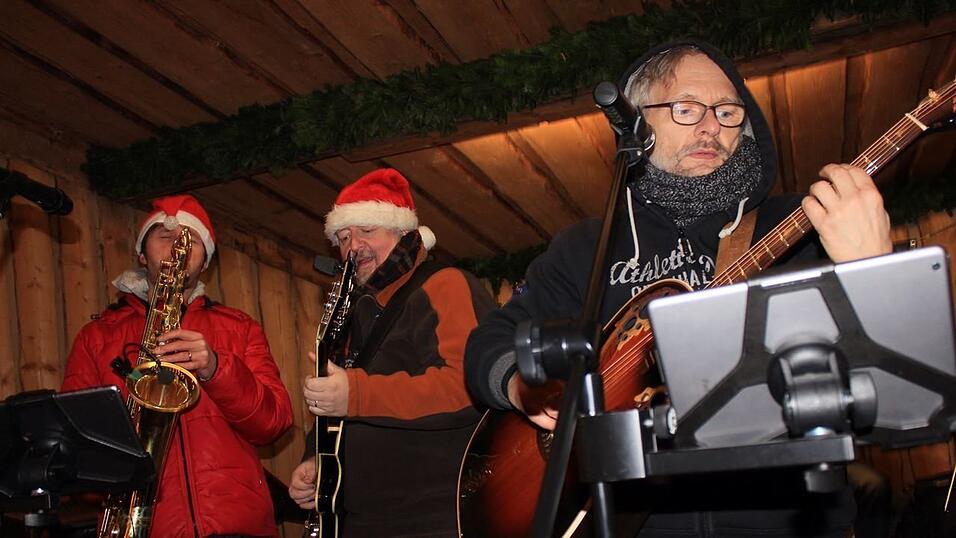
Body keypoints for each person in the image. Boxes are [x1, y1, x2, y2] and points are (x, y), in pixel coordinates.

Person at [463, 39, 893, 537]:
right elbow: (490, 343)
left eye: (728, 111)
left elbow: (887, 398)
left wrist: (872, 270)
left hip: (785, 516)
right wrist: (523, 385)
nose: (711, 125)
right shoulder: (585, 247)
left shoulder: (805, 226)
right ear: (637, 124)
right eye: (687, 108)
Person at [62, 194, 294, 537]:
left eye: (192, 239)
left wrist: (217, 368)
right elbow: (75, 441)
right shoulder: (96, 337)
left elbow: (274, 423)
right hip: (142, 525)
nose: (177, 247)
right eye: (165, 236)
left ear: (205, 260)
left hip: (236, 525)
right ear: (142, 254)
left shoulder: (241, 328)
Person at [287, 168, 496, 536]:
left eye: (367, 230)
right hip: (362, 521)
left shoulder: (445, 284)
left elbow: (470, 387)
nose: (353, 246)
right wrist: (315, 458)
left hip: (436, 521)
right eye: (344, 237)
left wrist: (356, 394)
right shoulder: (355, 311)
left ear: (403, 232)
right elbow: (345, 406)